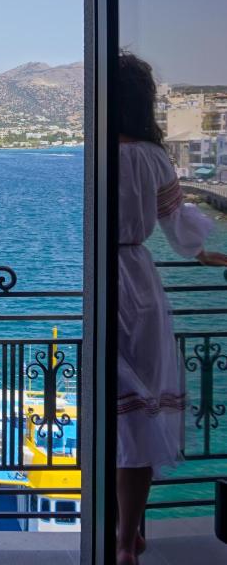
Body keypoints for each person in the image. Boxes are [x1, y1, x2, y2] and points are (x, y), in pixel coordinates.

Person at [116, 52, 227, 564]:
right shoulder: (154, 158)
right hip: (141, 282)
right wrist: (202, 252)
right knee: (142, 413)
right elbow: (176, 222)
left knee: (114, 411)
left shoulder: (99, 155)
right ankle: (130, 533)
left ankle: (116, 533)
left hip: (106, 282)